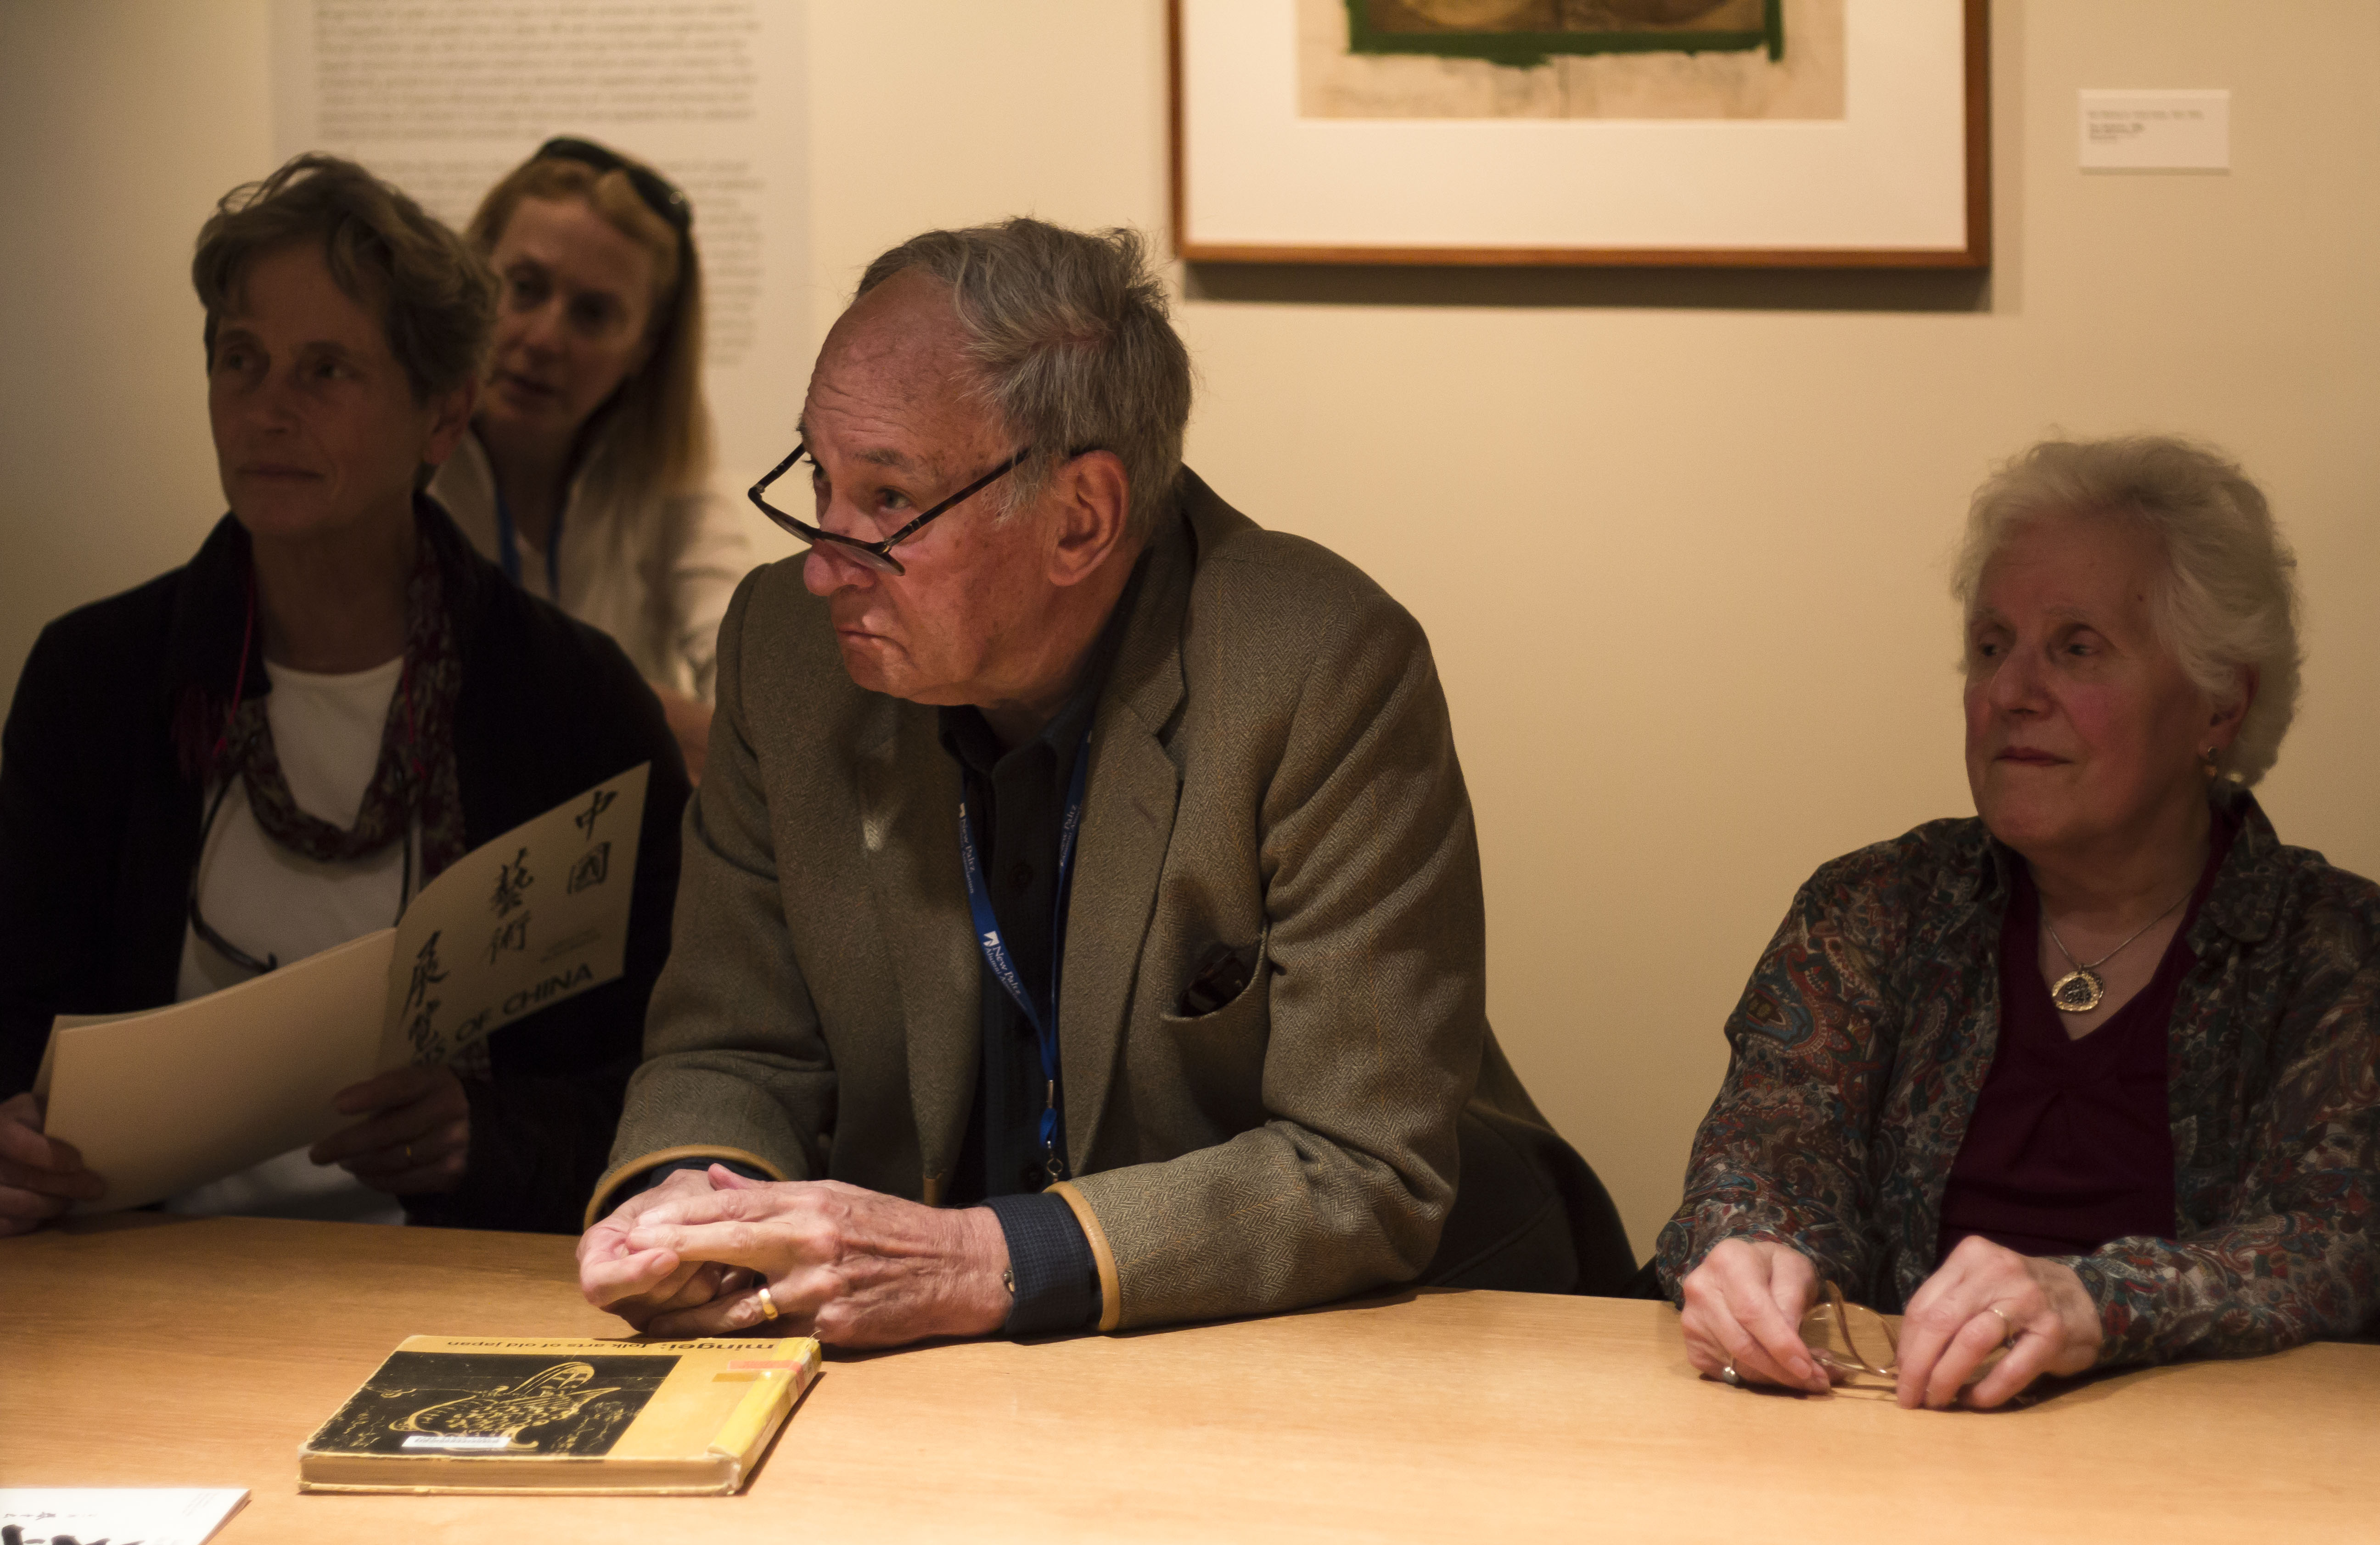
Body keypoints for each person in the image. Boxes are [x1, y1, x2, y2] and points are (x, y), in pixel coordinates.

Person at [576, 218, 1634, 1347]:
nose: (825, 560)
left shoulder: (1318, 669)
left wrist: (985, 1259)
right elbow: (732, 1045)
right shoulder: (783, 657)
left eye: (887, 501)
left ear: (1080, 517)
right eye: (821, 479)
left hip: (1364, 1337)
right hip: (952, 1372)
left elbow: (1360, 1166)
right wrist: (697, 1201)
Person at [0, 154, 688, 1237]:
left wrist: (489, 1137)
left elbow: (674, 1080)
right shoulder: (100, 681)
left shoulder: (570, 700)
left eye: (325, 371)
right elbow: (14, 1017)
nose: (266, 411)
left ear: (441, 417)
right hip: (136, 1275)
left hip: (454, 1285)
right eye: (241, 360)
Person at [1656, 436, 2379, 1409]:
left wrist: (2093, 1300)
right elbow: (1768, 1154)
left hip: (2205, 1470)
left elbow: (2331, 1244)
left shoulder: (2336, 952)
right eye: (1992, 647)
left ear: (2218, 703)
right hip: (1882, 1448)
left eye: (2076, 648)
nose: (2009, 693)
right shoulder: (1875, 907)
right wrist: (1755, 1254)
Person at [429, 137, 758, 783]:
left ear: (645, 347)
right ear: (473, 280)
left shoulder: (664, 469)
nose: (545, 339)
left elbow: (744, 657)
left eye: (593, 314)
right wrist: (637, 713)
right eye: (523, 288)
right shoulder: (399, 458)